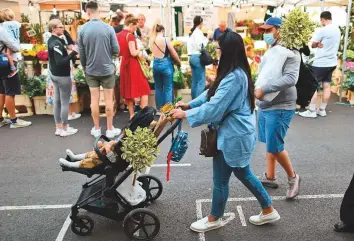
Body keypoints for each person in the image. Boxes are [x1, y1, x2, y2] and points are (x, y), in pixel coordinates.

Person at [170, 31, 280, 232]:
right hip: (235, 134)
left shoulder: (234, 77)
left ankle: (214, 218)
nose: (216, 52)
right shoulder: (234, 71)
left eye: (218, 48)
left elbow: (214, 108)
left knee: (222, 179)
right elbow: (211, 93)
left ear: (227, 51)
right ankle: (267, 209)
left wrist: (185, 114)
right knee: (241, 174)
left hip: (233, 136)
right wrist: (190, 105)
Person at [255, 17, 301, 199]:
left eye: (269, 30)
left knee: (275, 145)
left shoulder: (291, 52)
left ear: (280, 30)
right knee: (269, 142)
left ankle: (293, 177)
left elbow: (291, 79)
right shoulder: (273, 50)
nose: (266, 34)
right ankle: (270, 176)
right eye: (264, 31)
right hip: (265, 104)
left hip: (281, 105)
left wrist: (264, 89)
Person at [78, 1, 121, 138]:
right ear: (99, 11)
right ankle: (109, 129)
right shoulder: (108, 28)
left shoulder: (82, 29)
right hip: (107, 69)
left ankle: (96, 129)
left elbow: (81, 52)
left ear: (87, 12)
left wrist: (85, 65)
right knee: (109, 99)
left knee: (94, 100)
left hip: (90, 70)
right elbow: (116, 50)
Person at [299, 11, 340, 118]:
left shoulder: (323, 30)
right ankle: (322, 109)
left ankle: (312, 111)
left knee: (312, 86)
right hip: (332, 62)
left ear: (322, 19)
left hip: (321, 63)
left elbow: (313, 45)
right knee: (326, 86)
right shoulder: (337, 30)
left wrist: (316, 44)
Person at [45, 14, 81, 121]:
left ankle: (59, 126)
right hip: (61, 73)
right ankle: (65, 126)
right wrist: (73, 53)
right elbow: (60, 61)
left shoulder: (53, 40)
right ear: (53, 28)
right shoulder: (55, 41)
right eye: (60, 27)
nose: (63, 29)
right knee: (64, 101)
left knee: (57, 100)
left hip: (54, 72)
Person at [0, 14, 31, 129]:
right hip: (7, 63)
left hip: (0, 63)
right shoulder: (3, 29)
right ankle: (14, 120)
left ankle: (1, 119)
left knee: (2, 91)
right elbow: (15, 46)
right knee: (10, 92)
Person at [117, 14, 150, 119]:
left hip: (124, 64)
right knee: (144, 88)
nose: (135, 29)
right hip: (133, 64)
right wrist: (140, 49)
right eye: (135, 27)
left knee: (128, 91)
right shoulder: (130, 36)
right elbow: (133, 53)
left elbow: (117, 52)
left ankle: (131, 115)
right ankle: (144, 115)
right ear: (131, 25)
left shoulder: (118, 35)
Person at [149, 22, 181, 112]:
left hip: (155, 64)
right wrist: (179, 62)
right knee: (168, 88)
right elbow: (173, 53)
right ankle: (167, 111)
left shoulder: (152, 40)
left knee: (158, 87)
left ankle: (159, 110)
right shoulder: (165, 39)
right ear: (162, 31)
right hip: (166, 64)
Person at [187, 16, 212, 99]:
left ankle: (193, 101)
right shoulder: (198, 32)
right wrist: (208, 38)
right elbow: (201, 46)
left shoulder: (193, 32)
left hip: (191, 58)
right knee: (201, 82)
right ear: (200, 23)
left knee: (194, 81)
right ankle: (197, 103)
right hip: (197, 57)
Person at [0, 8, 21, 78]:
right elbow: (19, 25)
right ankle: (14, 67)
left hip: (10, 41)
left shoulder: (4, 25)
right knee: (13, 56)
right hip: (16, 41)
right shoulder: (16, 23)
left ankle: (13, 69)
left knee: (8, 55)